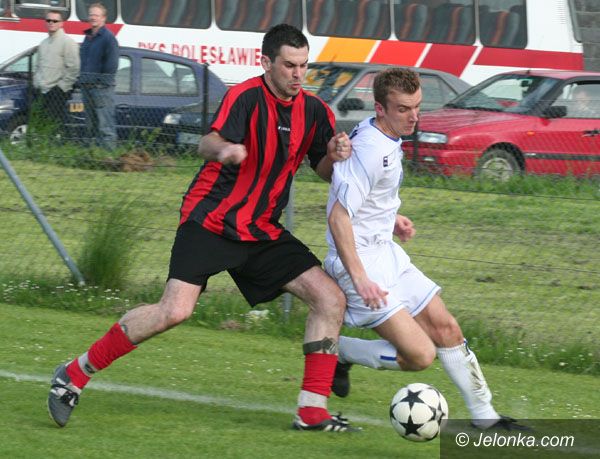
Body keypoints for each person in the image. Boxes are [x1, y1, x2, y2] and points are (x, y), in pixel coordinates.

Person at [48, 23, 360, 433]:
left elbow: (322, 169)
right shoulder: (244, 96)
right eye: (289, 65)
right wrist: (226, 148)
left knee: (330, 299)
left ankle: (311, 411)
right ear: (266, 62)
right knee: (174, 311)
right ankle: (74, 373)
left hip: (261, 230)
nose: (298, 74)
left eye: (303, 65)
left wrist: (335, 155)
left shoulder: (315, 111)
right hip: (211, 220)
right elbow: (205, 143)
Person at [324, 68, 528, 431]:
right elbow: (339, 217)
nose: (414, 116)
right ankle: (339, 351)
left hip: (385, 251)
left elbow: (364, 195)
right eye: (403, 109)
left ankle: (486, 417)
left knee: (446, 327)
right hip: (361, 262)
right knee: (419, 355)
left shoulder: (385, 134)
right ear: (380, 108)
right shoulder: (372, 149)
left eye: (417, 106)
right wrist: (360, 279)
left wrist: (391, 218)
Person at [78, 2, 118, 150]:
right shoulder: (88, 37)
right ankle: (93, 154)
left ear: (103, 18)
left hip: (101, 89)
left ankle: (108, 156)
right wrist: (82, 80)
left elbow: (112, 65)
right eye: (91, 15)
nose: (93, 17)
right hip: (87, 87)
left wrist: (99, 83)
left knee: (105, 126)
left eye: (96, 15)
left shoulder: (109, 38)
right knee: (91, 125)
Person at [33, 10, 80, 131]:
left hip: (57, 93)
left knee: (54, 127)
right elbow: (38, 66)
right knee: (41, 126)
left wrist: (61, 87)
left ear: (61, 23)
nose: (51, 23)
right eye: (48, 20)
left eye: (55, 21)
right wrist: (36, 83)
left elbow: (74, 68)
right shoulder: (43, 44)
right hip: (41, 91)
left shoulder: (68, 42)